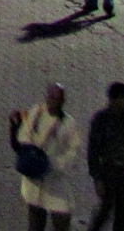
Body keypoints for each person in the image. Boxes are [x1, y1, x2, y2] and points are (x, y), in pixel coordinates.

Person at [10, 82, 83, 231]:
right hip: (34, 180)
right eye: (52, 98)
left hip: (54, 181)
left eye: (58, 99)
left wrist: (56, 164)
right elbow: (24, 136)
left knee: (62, 217)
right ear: (47, 98)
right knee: (35, 220)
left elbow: (74, 150)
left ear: (63, 101)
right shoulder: (36, 112)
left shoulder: (69, 123)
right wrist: (34, 156)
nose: (54, 102)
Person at [85, 83, 124, 231]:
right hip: (108, 172)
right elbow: (93, 151)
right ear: (113, 99)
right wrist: (97, 178)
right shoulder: (101, 120)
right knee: (104, 212)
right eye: (123, 98)